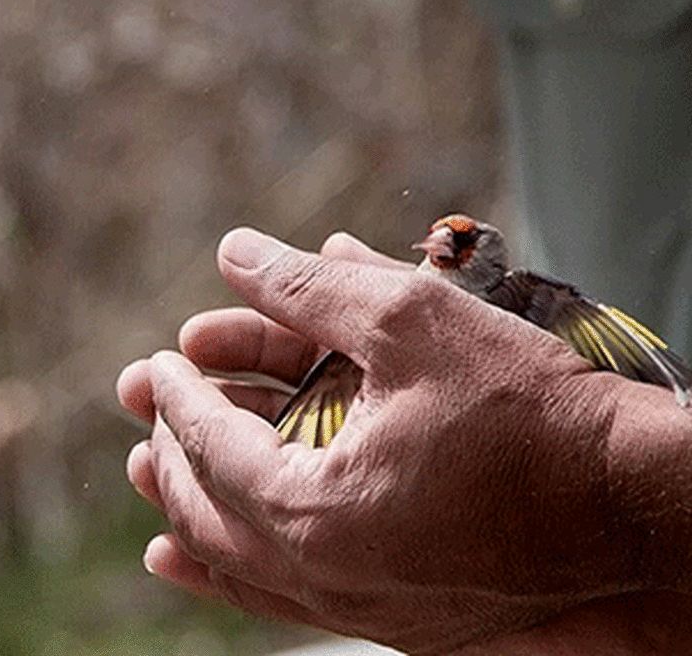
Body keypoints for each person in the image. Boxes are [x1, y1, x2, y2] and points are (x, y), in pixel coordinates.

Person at [117, 227, 692, 653]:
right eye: (440, 239)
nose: (442, 245)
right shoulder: (376, 335)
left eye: (461, 244)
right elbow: (332, 402)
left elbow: (604, 338)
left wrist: (616, 444)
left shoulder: (531, 296)